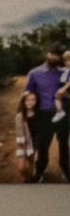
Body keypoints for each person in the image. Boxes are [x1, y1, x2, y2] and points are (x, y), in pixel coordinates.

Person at [23, 44, 69, 181]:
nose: (55, 56)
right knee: (43, 146)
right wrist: (26, 111)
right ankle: (41, 170)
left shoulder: (65, 72)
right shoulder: (34, 73)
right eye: (52, 53)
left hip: (63, 114)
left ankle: (66, 169)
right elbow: (28, 94)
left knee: (64, 144)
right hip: (44, 115)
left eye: (58, 54)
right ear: (47, 53)